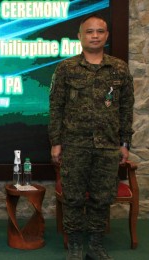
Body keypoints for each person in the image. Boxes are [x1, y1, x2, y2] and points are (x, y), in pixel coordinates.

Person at [48, 14, 134, 260]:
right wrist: (56, 142)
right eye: (89, 32)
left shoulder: (118, 68)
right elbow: (56, 107)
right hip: (75, 146)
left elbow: (126, 108)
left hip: (108, 146)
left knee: (102, 198)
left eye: (100, 31)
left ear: (106, 36)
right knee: (73, 198)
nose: (95, 35)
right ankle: (75, 246)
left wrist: (124, 143)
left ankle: (95, 245)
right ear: (80, 36)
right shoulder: (66, 68)